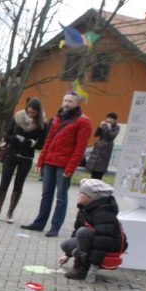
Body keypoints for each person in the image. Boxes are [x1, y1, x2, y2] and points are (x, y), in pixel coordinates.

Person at [21, 92, 92, 236]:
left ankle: (55, 227)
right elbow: (48, 141)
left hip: (64, 165)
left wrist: (70, 168)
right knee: (46, 195)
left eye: (70, 101)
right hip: (49, 162)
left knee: (61, 197)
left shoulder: (83, 121)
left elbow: (80, 148)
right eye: (65, 100)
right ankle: (39, 223)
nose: (66, 104)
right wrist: (41, 161)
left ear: (77, 103)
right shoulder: (57, 119)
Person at [0, 97, 47, 222]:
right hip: (11, 154)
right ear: (26, 109)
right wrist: (15, 139)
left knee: (19, 185)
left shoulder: (42, 123)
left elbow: (42, 144)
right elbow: (6, 135)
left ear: (38, 112)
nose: (31, 114)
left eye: (34, 113)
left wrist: (31, 143)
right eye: (29, 111)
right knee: (4, 182)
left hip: (26, 158)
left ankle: (10, 213)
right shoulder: (18, 118)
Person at [59, 179, 126, 283]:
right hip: (96, 241)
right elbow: (76, 232)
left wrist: (93, 270)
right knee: (66, 244)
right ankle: (82, 257)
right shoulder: (85, 209)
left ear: (91, 197)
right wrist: (67, 255)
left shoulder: (103, 213)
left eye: (82, 193)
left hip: (111, 245)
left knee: (83, 232)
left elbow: (102, 241)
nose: (78, 194)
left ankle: (82, 268)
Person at [86, 112, 120, 180]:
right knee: (94, 170)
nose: (109, 119)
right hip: (98, 148)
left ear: (115, 120)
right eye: (108, 118)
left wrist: (109, 128)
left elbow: (111, 137)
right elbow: (96, 135)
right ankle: (92, 183)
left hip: (106, 149)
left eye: (111, 118)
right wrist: (100, 127)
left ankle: (97, 183)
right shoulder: (104, 125)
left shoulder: (117, 127)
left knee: (100, 170)